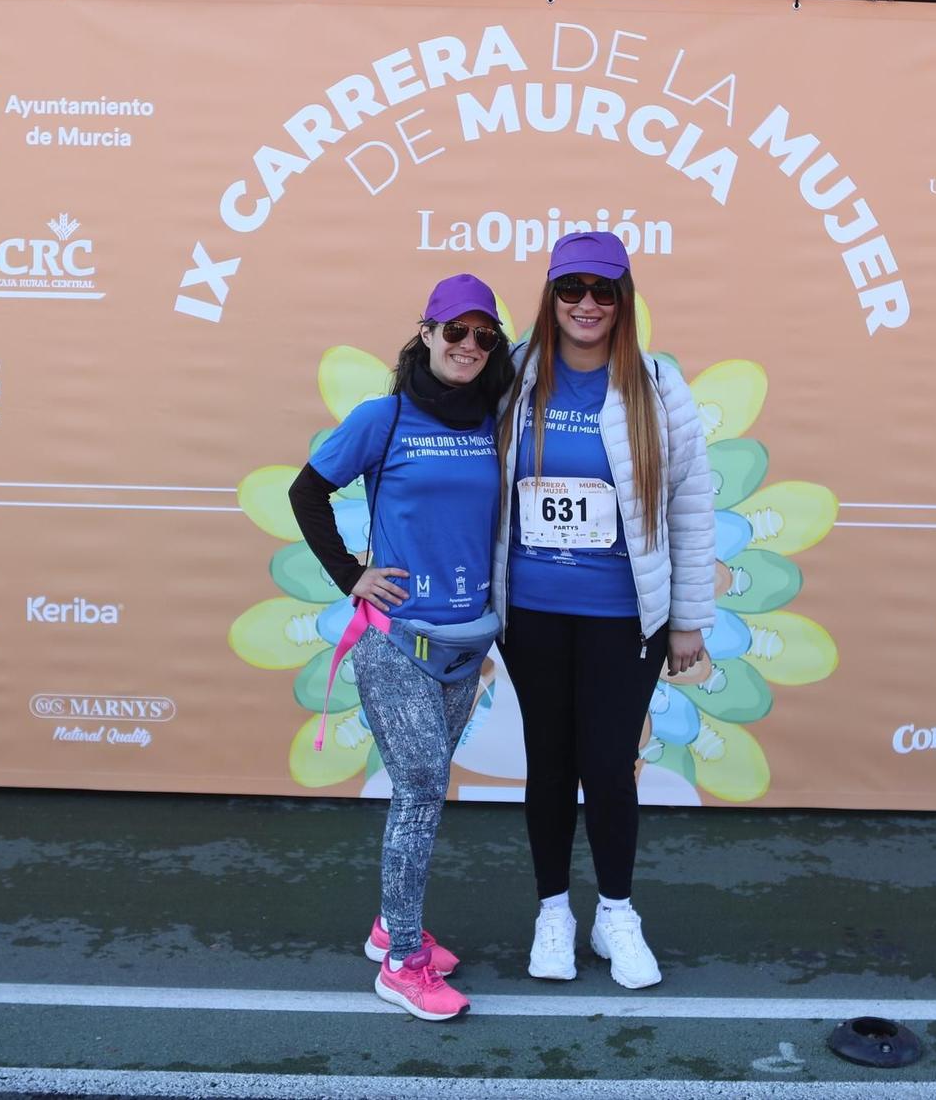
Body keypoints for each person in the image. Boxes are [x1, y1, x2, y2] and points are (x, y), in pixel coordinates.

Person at [491, 231, 715, 990]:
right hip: (532, 608)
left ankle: (615, 911)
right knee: (549, 765)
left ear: (625, 300)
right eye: (571, 288)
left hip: (626, 615)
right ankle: (552, 909)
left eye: (604, 289)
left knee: (610, 768)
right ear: (550, 296)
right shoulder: (512, 376)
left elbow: (690, 501)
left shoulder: (658, 386)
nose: (587, 303)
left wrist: (688, 617)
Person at [287, 273, 512, 1022]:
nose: (469, 347)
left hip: (465, 646)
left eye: (484, 335)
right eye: (456, 331)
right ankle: (402, 961)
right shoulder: (383, 418)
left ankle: (393, 921)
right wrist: (353, 574)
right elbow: (306, 492)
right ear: (426, 332)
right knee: (419, 788)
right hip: (394, 644)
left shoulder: (495, 420)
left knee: (428, 790)